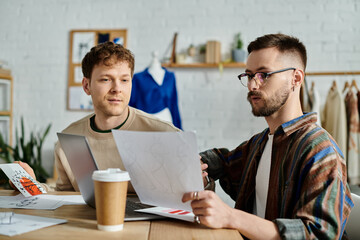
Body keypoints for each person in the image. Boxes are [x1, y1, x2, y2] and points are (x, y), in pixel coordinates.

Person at [182, 34, 353, 239]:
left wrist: (231, 216)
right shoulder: (260, 143)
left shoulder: (321, 152)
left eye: (264, 74)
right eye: (249, 75)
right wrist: (195, 167)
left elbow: (316, 235)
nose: (253, 85)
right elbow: (222, 161)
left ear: (296, 79)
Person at [17, 41, 181, 192]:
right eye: (106, 79)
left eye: (124, 80)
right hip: (89, 223)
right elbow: (64, 195)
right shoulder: (69, 139)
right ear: (87, 86)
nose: (117, 88)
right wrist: (31, 186)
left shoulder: (165, 134)